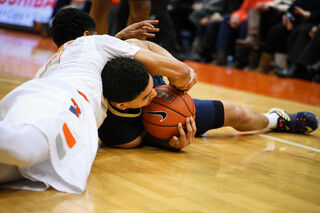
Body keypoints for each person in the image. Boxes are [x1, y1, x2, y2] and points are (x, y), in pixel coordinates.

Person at [0, 8, 196, 193]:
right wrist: (185, 78)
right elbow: (180, 71)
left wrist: (116, 38)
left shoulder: (52, 61)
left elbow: (96, 53)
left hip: (39, 95)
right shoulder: (96, 42)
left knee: (12, 168)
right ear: (87, 34)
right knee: (23, 150)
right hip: (67, 98)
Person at [98, 55, 319, 150]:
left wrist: (180, 71)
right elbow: (145, 139)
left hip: (172, 105)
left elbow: (145, 46)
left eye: (151, 87)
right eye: (146, 96)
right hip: (156, 125)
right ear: (122, 105)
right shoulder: (118, 134)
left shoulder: (137, 62)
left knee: (235, 113)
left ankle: (275, 119)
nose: (154, 94)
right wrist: (172, 144)